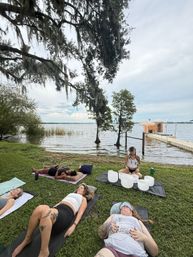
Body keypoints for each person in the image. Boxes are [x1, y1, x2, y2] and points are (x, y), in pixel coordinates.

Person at [12, 183, 92, 257]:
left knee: (46, 213)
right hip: (58, 209)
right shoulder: (71, 194)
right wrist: (51, 208)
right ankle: (27, 239)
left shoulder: (83, 198)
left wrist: (74, 225)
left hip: (67, 213)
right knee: (40, 208)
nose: (78, 188)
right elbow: (60, 202)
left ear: (84, 191)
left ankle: (44, 251)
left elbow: (81, 212)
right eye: (79, 187)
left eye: (81, 187)